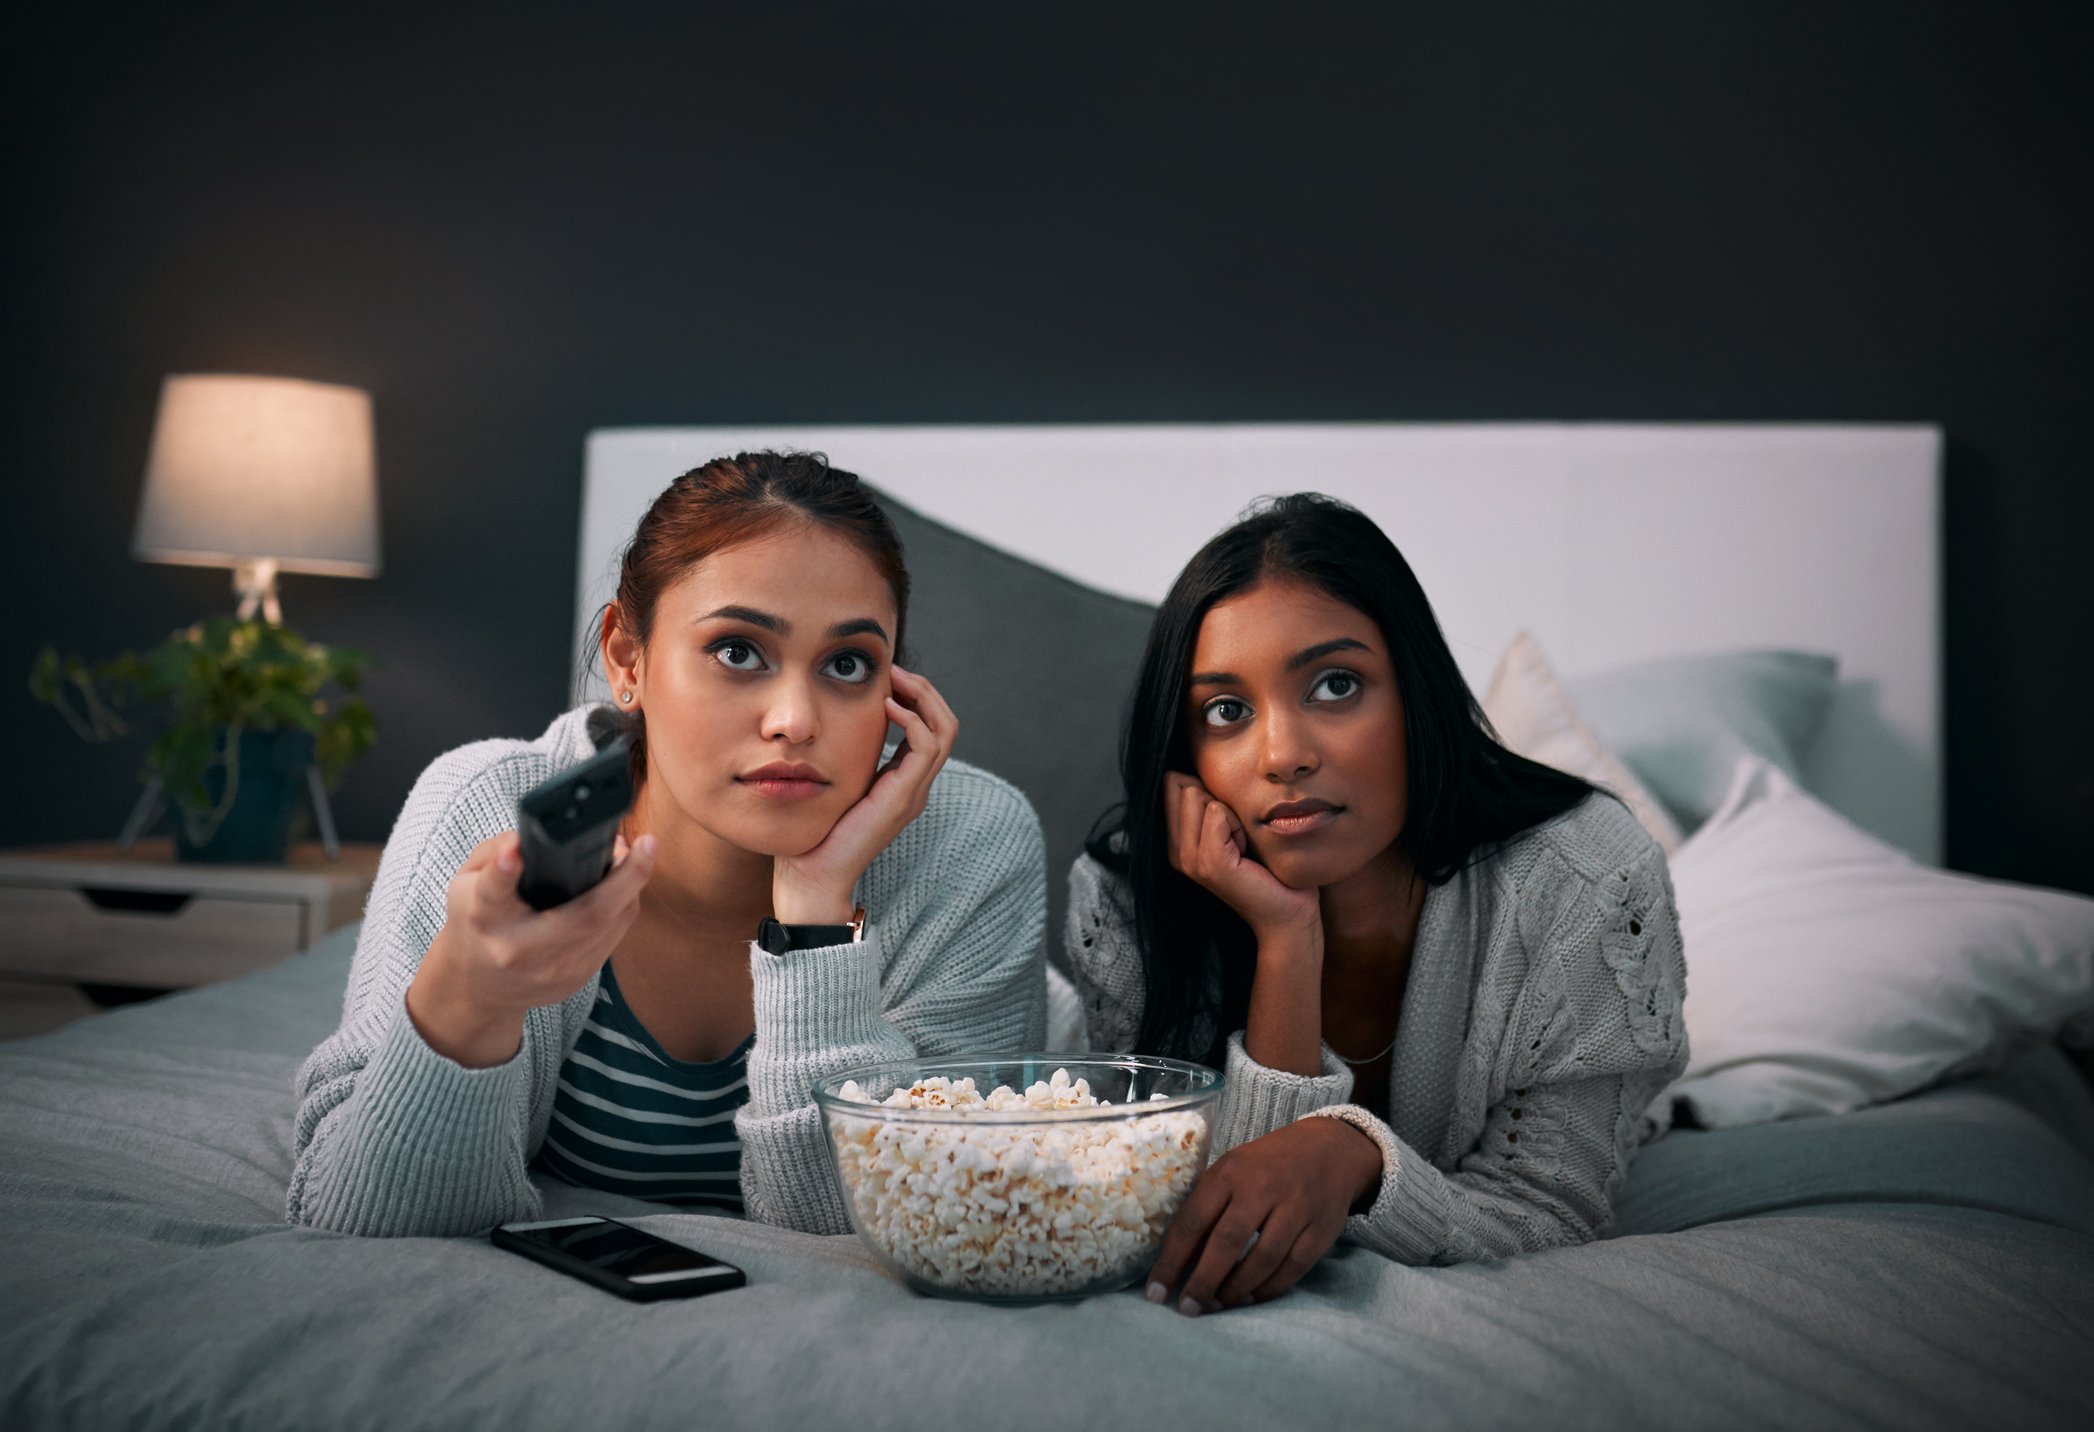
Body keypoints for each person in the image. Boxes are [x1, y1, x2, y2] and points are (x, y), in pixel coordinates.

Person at [289, 452, 1046, 1237]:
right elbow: (364, 1218)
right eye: (737, 651)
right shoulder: (484, 810)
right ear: (627, 657)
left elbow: (913, 1229)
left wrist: (818, 918)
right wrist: (473, 997)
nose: (795, 720)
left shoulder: (972, 845)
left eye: (847, 664)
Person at [1065, 493, 1687, 1315]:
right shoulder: (1127, 905)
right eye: (1226, 711)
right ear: (1187, 753)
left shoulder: (1587, 881)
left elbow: (1549, 1210)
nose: (1283, 755)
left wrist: (1351, 1154)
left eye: (1335, 684)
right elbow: (1224, 1229)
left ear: (1415, 694)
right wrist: (1286, 937)